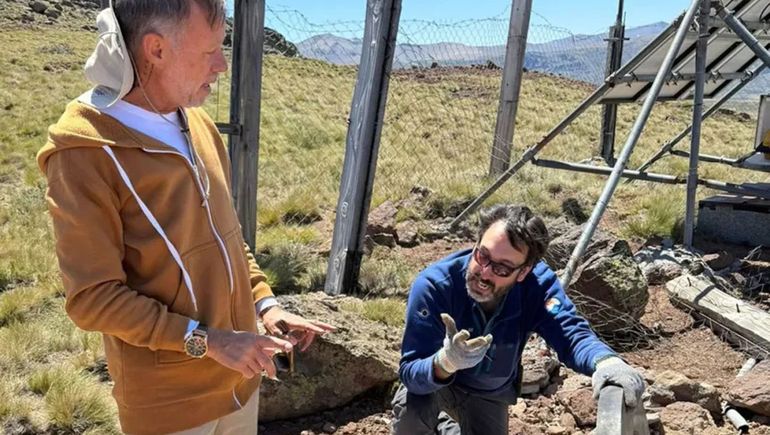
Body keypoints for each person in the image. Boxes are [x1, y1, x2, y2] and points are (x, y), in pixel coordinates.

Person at [36, 1, 334, 433]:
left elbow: (226, 238)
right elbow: (93, 299)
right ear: (155, 49)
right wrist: (208, 342)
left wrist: (265, 305)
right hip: (168, 408)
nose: (221, 65)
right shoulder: (85, 152)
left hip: (240, 381)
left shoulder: (198, 125)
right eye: (209, 51)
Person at [391, 204, 645, 434]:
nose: (484, 273)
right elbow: (411, 373)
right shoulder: (435, 285)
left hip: (489, 393)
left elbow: (571, 335)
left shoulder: (537, 287)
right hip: (434, 387)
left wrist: (607, 362)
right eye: (482, 255)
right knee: (412, 412)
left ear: (524, 271)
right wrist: (446, 361)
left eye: (502, 268)